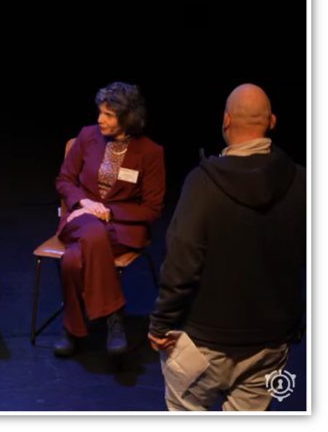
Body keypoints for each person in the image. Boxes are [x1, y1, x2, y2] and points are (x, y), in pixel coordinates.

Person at [149, 84, 305, 411]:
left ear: (226, 120)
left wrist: (161, 324)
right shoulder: (302, 183)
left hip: (202, 345)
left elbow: (182, 261)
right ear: (272, 121)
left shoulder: (202, 183)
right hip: (271, 345)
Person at [53, 82, 165, 357]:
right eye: (100, 112)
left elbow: (152, 209)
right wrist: (85, 203)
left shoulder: (151, 152)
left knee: (71, 259)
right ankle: (114, 315)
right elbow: (64, 180)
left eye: (109, 115)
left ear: (127, 118)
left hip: (120, 228)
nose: (100, 119)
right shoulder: (87, 136)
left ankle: (73, 327)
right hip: (80, 218)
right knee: (91, 230)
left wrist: (111, 212)